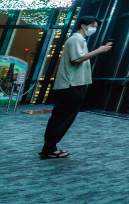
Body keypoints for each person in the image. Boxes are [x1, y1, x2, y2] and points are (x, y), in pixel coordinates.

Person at [40, 16, 112, 159]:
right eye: (93, 25)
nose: (94, 28)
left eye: (96, 25)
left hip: (73, 84)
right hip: (70, 85)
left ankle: (50, 147)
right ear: (83, 25)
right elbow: (77, 59)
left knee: (63, 117)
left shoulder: (80, 40)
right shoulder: (76, 40)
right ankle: (49, 148)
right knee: (62, 117)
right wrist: (99, 50)